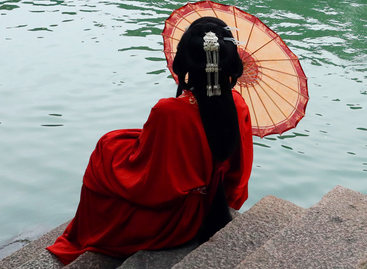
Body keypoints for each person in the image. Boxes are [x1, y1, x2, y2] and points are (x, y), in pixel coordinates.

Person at [47, 18, 252, 264]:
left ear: (185, 60)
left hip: (177, 222)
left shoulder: (169, 111)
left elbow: (152, 184)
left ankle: (88, 232)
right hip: (214, 204)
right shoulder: (237, 104)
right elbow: (238, 174)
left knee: (105, 148)